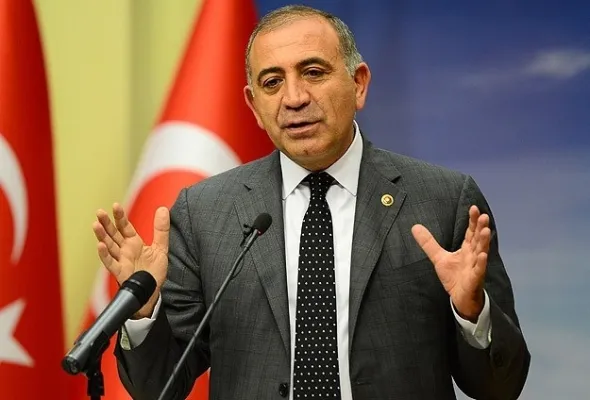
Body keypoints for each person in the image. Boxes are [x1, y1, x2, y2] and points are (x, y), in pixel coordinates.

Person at [93, 5, 530, 399]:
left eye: (314, 72)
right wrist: (143, 308)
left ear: (358, 83)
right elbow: (158, 386)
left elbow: (500, 386)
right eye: (272, 82)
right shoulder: (206, 212)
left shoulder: (443, 200)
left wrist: (471, 312)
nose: (294, 98)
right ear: (253, 105)